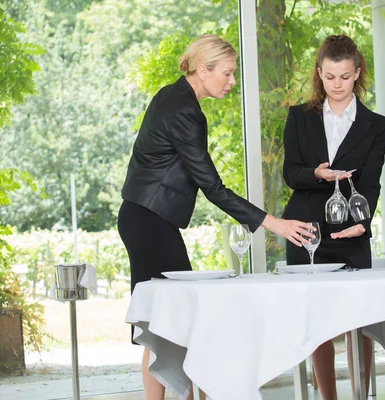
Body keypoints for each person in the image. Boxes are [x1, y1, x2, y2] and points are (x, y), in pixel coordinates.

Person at [117, 34, 314, 400]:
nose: (232, 81)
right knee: (174, 321)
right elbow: (213, 187)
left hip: (144, 218)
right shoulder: (184, 112)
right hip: (149, 222)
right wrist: (273, 223)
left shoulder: (173, 95)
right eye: (227, 73)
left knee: (167, 321)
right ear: (203, 70)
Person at [282, 34, 385, 399]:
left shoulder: (376, 124)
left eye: (345, 76)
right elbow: (290, 173)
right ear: (319, 73)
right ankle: (328, 397)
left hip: (351, 230)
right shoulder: (299, 116)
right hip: (306, 230)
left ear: (357, 72)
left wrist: (365, 220)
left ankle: (362, 394)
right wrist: (317, 173)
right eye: (330, 77)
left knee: (359, 320)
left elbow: (372, 182)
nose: (337, 85)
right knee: (316, 323)